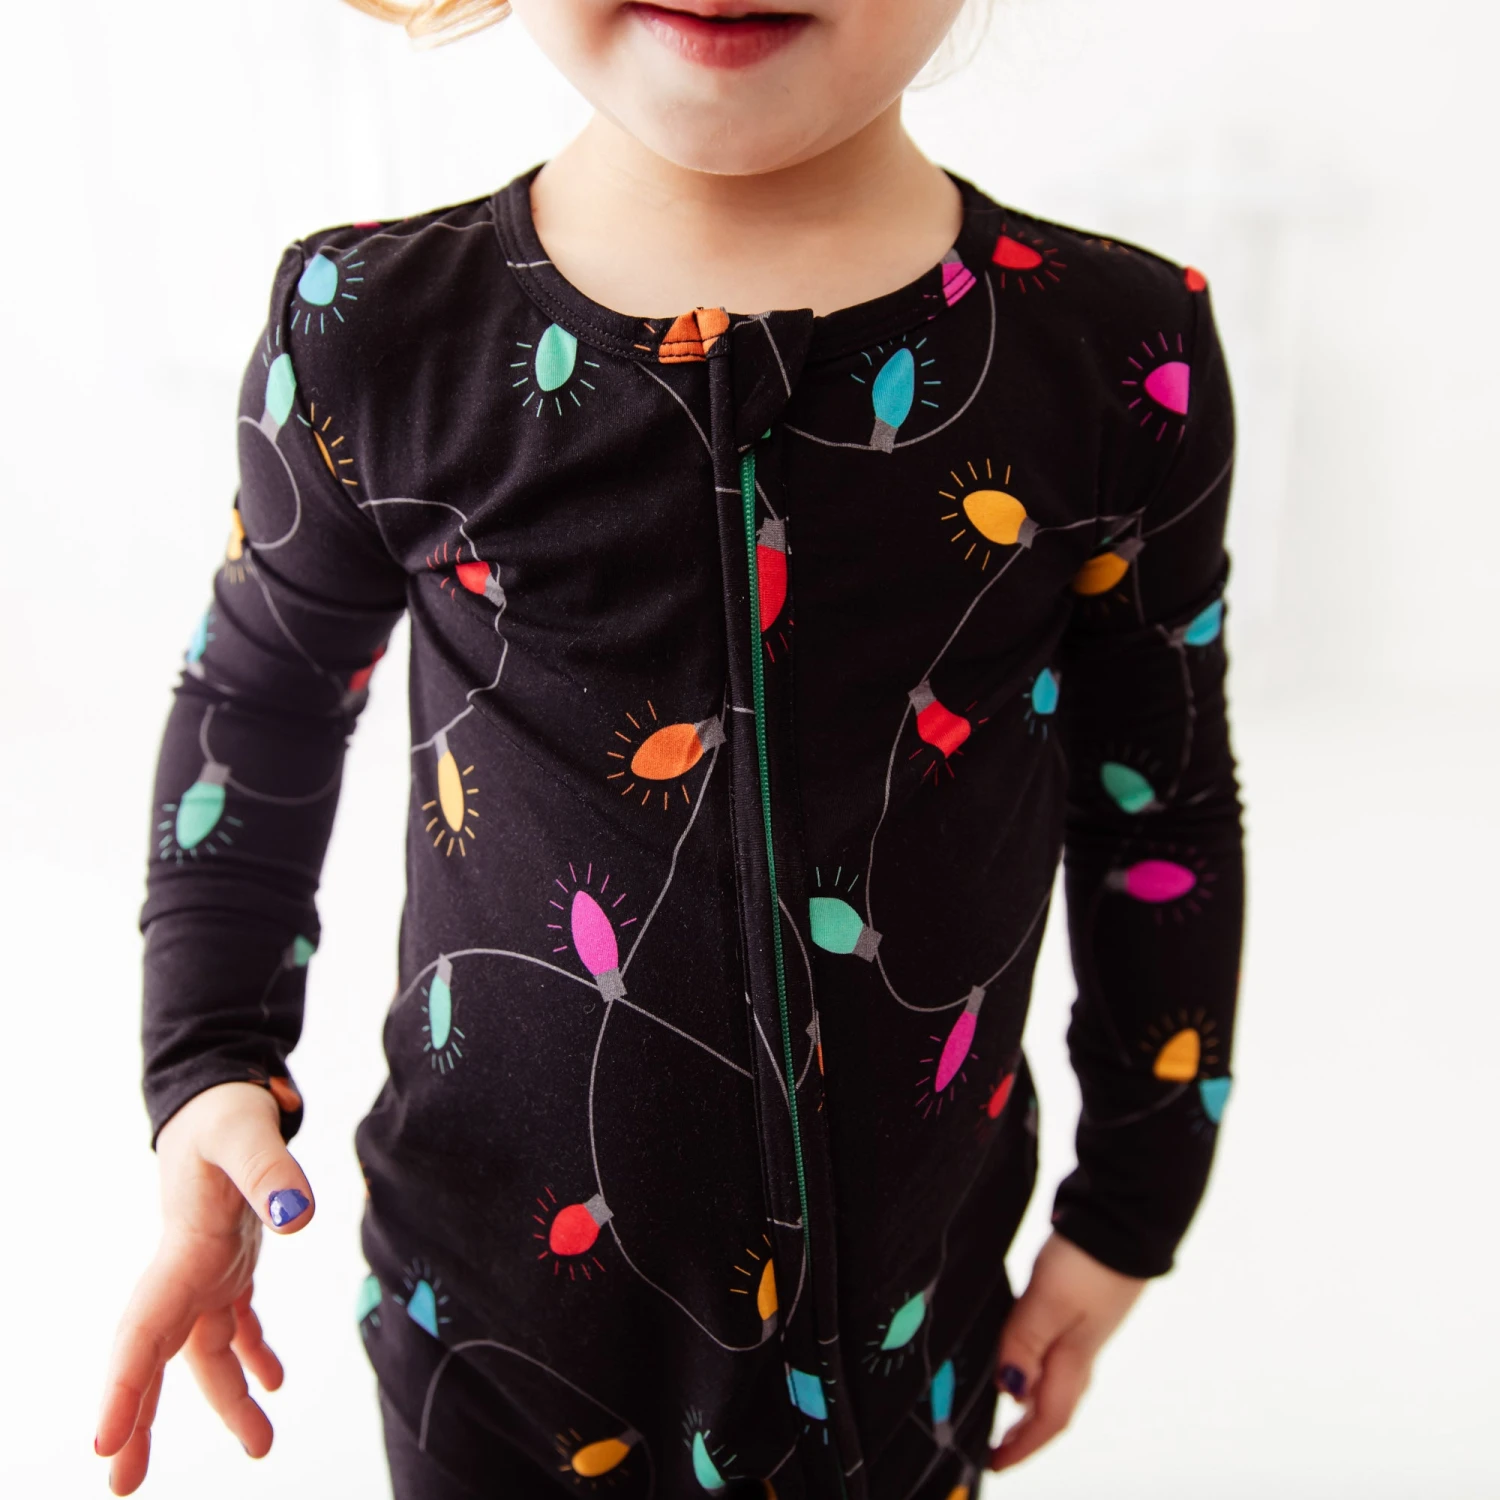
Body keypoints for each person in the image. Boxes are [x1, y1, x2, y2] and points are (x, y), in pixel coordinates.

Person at [93, 1, 1245, 1495]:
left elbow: (1161, 807)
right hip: (490, 1333)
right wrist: (207, 1072)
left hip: (912, 1339)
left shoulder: (1117, 356)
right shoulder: (371, 328)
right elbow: (258, 703)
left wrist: (1130, 1212)